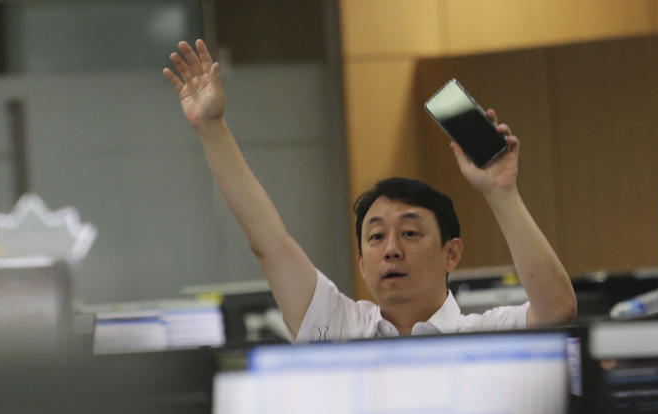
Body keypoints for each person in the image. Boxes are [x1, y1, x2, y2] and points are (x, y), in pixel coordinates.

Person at [164, 39, 576, 342]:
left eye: (410, 233)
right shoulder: (337, 325)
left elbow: (557, 310)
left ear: (452, 253)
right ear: (361, 262)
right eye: (376, 236)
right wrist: (211, 129)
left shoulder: (484, 334)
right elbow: (269, 242)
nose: (391, 249)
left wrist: (501, 192)